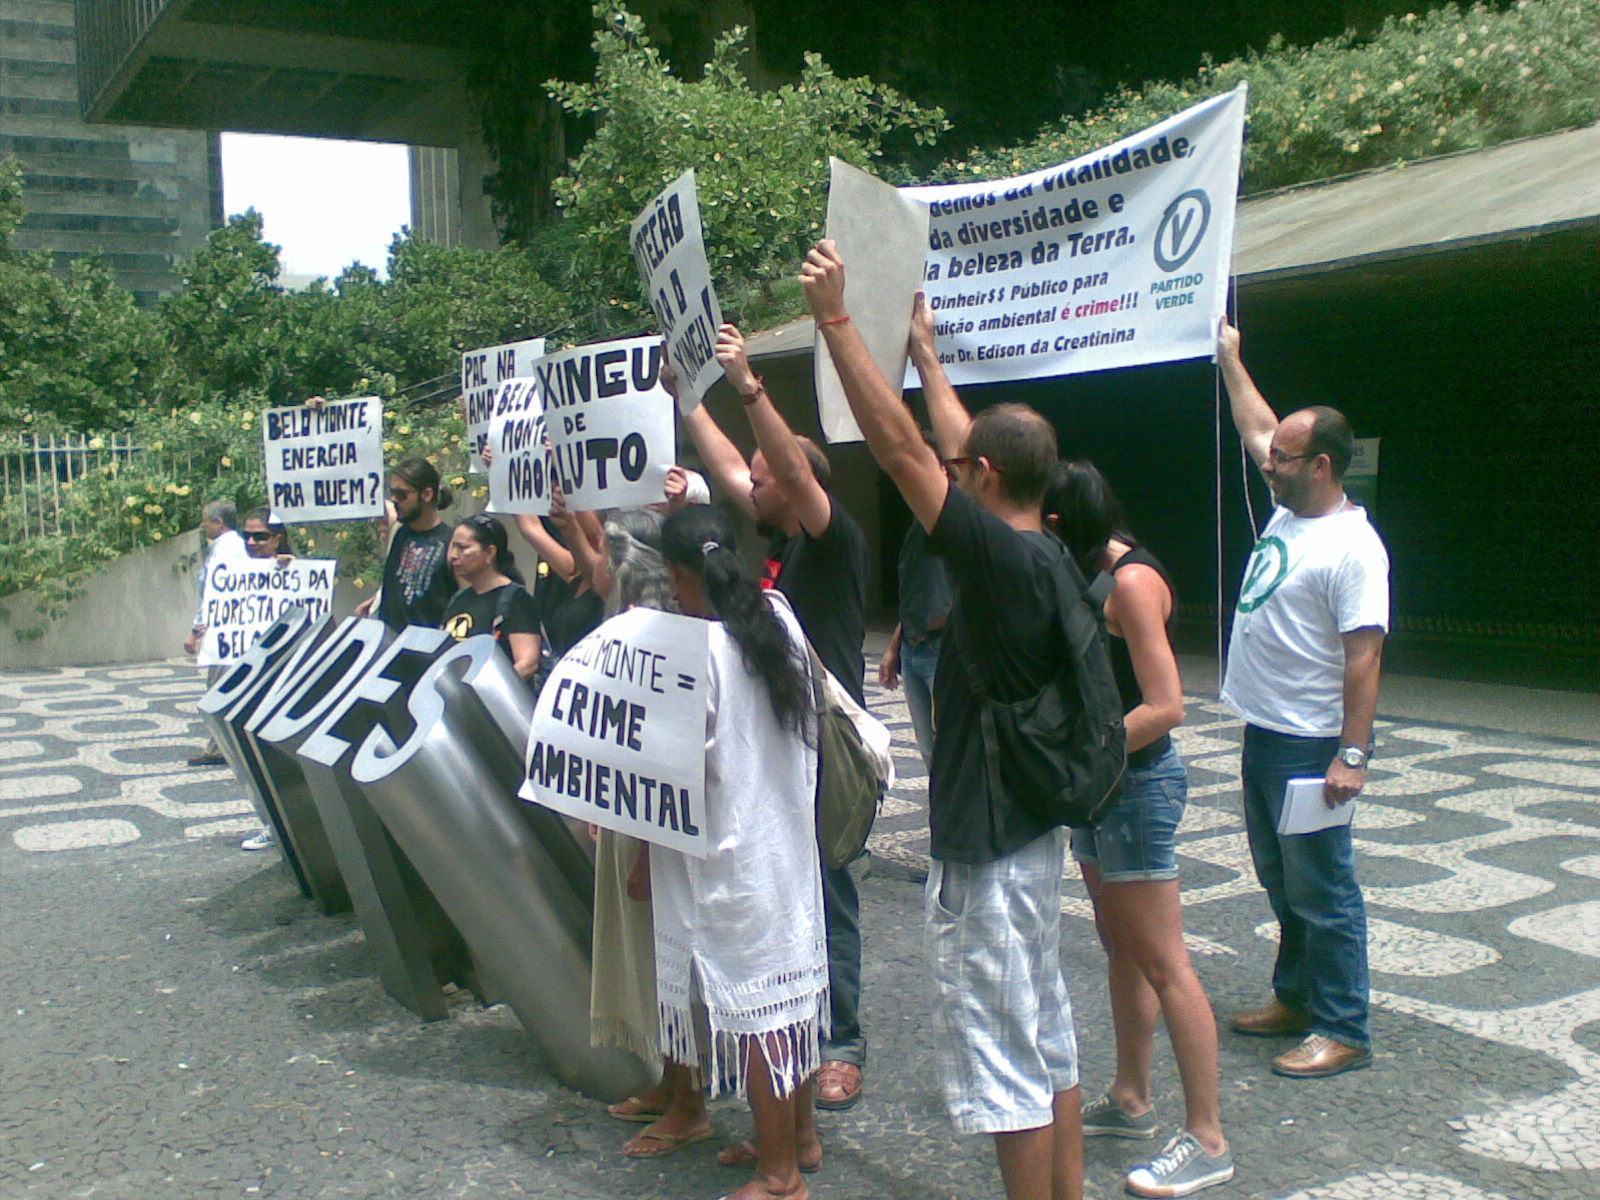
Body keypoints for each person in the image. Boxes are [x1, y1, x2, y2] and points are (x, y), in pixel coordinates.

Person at [802, 239, 1081, 1200]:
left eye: (969, 470)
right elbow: (958, 448)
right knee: (1048, 1038)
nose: (954, 476)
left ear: (987, 478)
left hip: (991, 846)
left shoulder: (998, 564)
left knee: (1007, 1063)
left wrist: (839, 323)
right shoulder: (1042, 546)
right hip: (1034, 835)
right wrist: (926, 355)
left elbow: (902, 452)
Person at [673, 323, 872, 1112]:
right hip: (777, 746)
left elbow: (777, 463)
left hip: (826, 751)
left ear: (794, 483)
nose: (746, 486)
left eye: (764, 477)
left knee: (829, 893)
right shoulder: (776, 536)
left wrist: (750, 384)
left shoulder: (833, 538)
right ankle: (788, 1044)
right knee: (783, 893)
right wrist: (689, 397)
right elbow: (729, 465)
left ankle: (843, 1043)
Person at [1043, 461, 1233, 1197]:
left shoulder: (1129, 583)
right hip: (1106, 789)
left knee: (1165, 962)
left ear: (1061, 527)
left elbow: (1167, 704)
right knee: (1119, 945)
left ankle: (1208, 1136)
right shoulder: (1100, 566)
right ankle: (1130, 1099)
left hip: (1137, 785)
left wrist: (1084, 756)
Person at [1216, 317, 1389, 1081]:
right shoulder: (1292, 504)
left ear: (1322, 465)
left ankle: (1344, 1024)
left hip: (1312, 742)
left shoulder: (1354, 547)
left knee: (1323, 886)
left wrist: (1352, 754)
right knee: (1279, 877)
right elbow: (1257, 424)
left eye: (1283, 460)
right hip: (1266, 728)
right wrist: (1230, 359)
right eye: (1272, 455)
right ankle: (1294, 995)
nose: (1268, 464)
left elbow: (1365, 656)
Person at [648, 503, 828, 1200]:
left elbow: (675, 769)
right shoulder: (777, 616)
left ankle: (778, 1175)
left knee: (756, 1013)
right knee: (795, 998)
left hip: (733, 854)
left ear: (675, 574)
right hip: (786, 843)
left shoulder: (692, 654)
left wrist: (638, 851)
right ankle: (800, 1139)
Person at [878, 436, 955, 771]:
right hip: (914, 648)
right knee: (929, 749)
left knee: (952, 747)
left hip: (945, 648)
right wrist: (894, 647)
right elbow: (914, 593)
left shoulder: (955, 518)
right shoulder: (915, 524)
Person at [235, 507, 297, 853]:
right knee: (254, 755)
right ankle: (271, 822)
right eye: (248, 535)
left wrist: (292, 572)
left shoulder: (297, 573)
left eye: (260, 536)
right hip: (249, 678)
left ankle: (290, 823)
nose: (251, 542)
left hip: (285, 678)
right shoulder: (234, 573)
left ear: (277, 538)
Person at [355, 458, 456, 631]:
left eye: (401, 495)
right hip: (389, 646)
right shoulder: (398, 532)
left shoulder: (451, 543)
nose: (394, 499)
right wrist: (379, 597)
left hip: (427, 649)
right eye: (392, 492)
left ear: (426, 495)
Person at [440, 514, 540, 681]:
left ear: (490, 553)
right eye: (452, 547)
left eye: (463, 548)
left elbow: (527, 663)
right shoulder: (459, 598)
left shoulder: (515, 599)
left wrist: (483, 690)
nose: (453, 556)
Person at [185, 498, 246, 767]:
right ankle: (221, 746)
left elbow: (213, 593)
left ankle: (220, 748)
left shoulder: (226, 550)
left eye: (206, 520)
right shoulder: (234, 546)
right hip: (229, 629)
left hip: (223, 630)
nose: (203, 525)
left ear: (219, 523)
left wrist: (196, 630)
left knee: (218, 688)